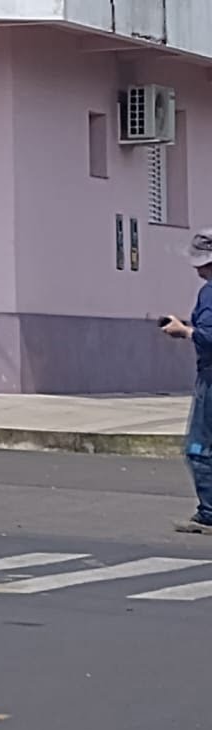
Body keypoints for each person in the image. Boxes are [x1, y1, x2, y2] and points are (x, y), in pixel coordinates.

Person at [159, 228, 212, 534]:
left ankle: (209, 512)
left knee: (200, 446)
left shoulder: (209, 292)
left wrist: (185, 331)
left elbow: (208, 336)